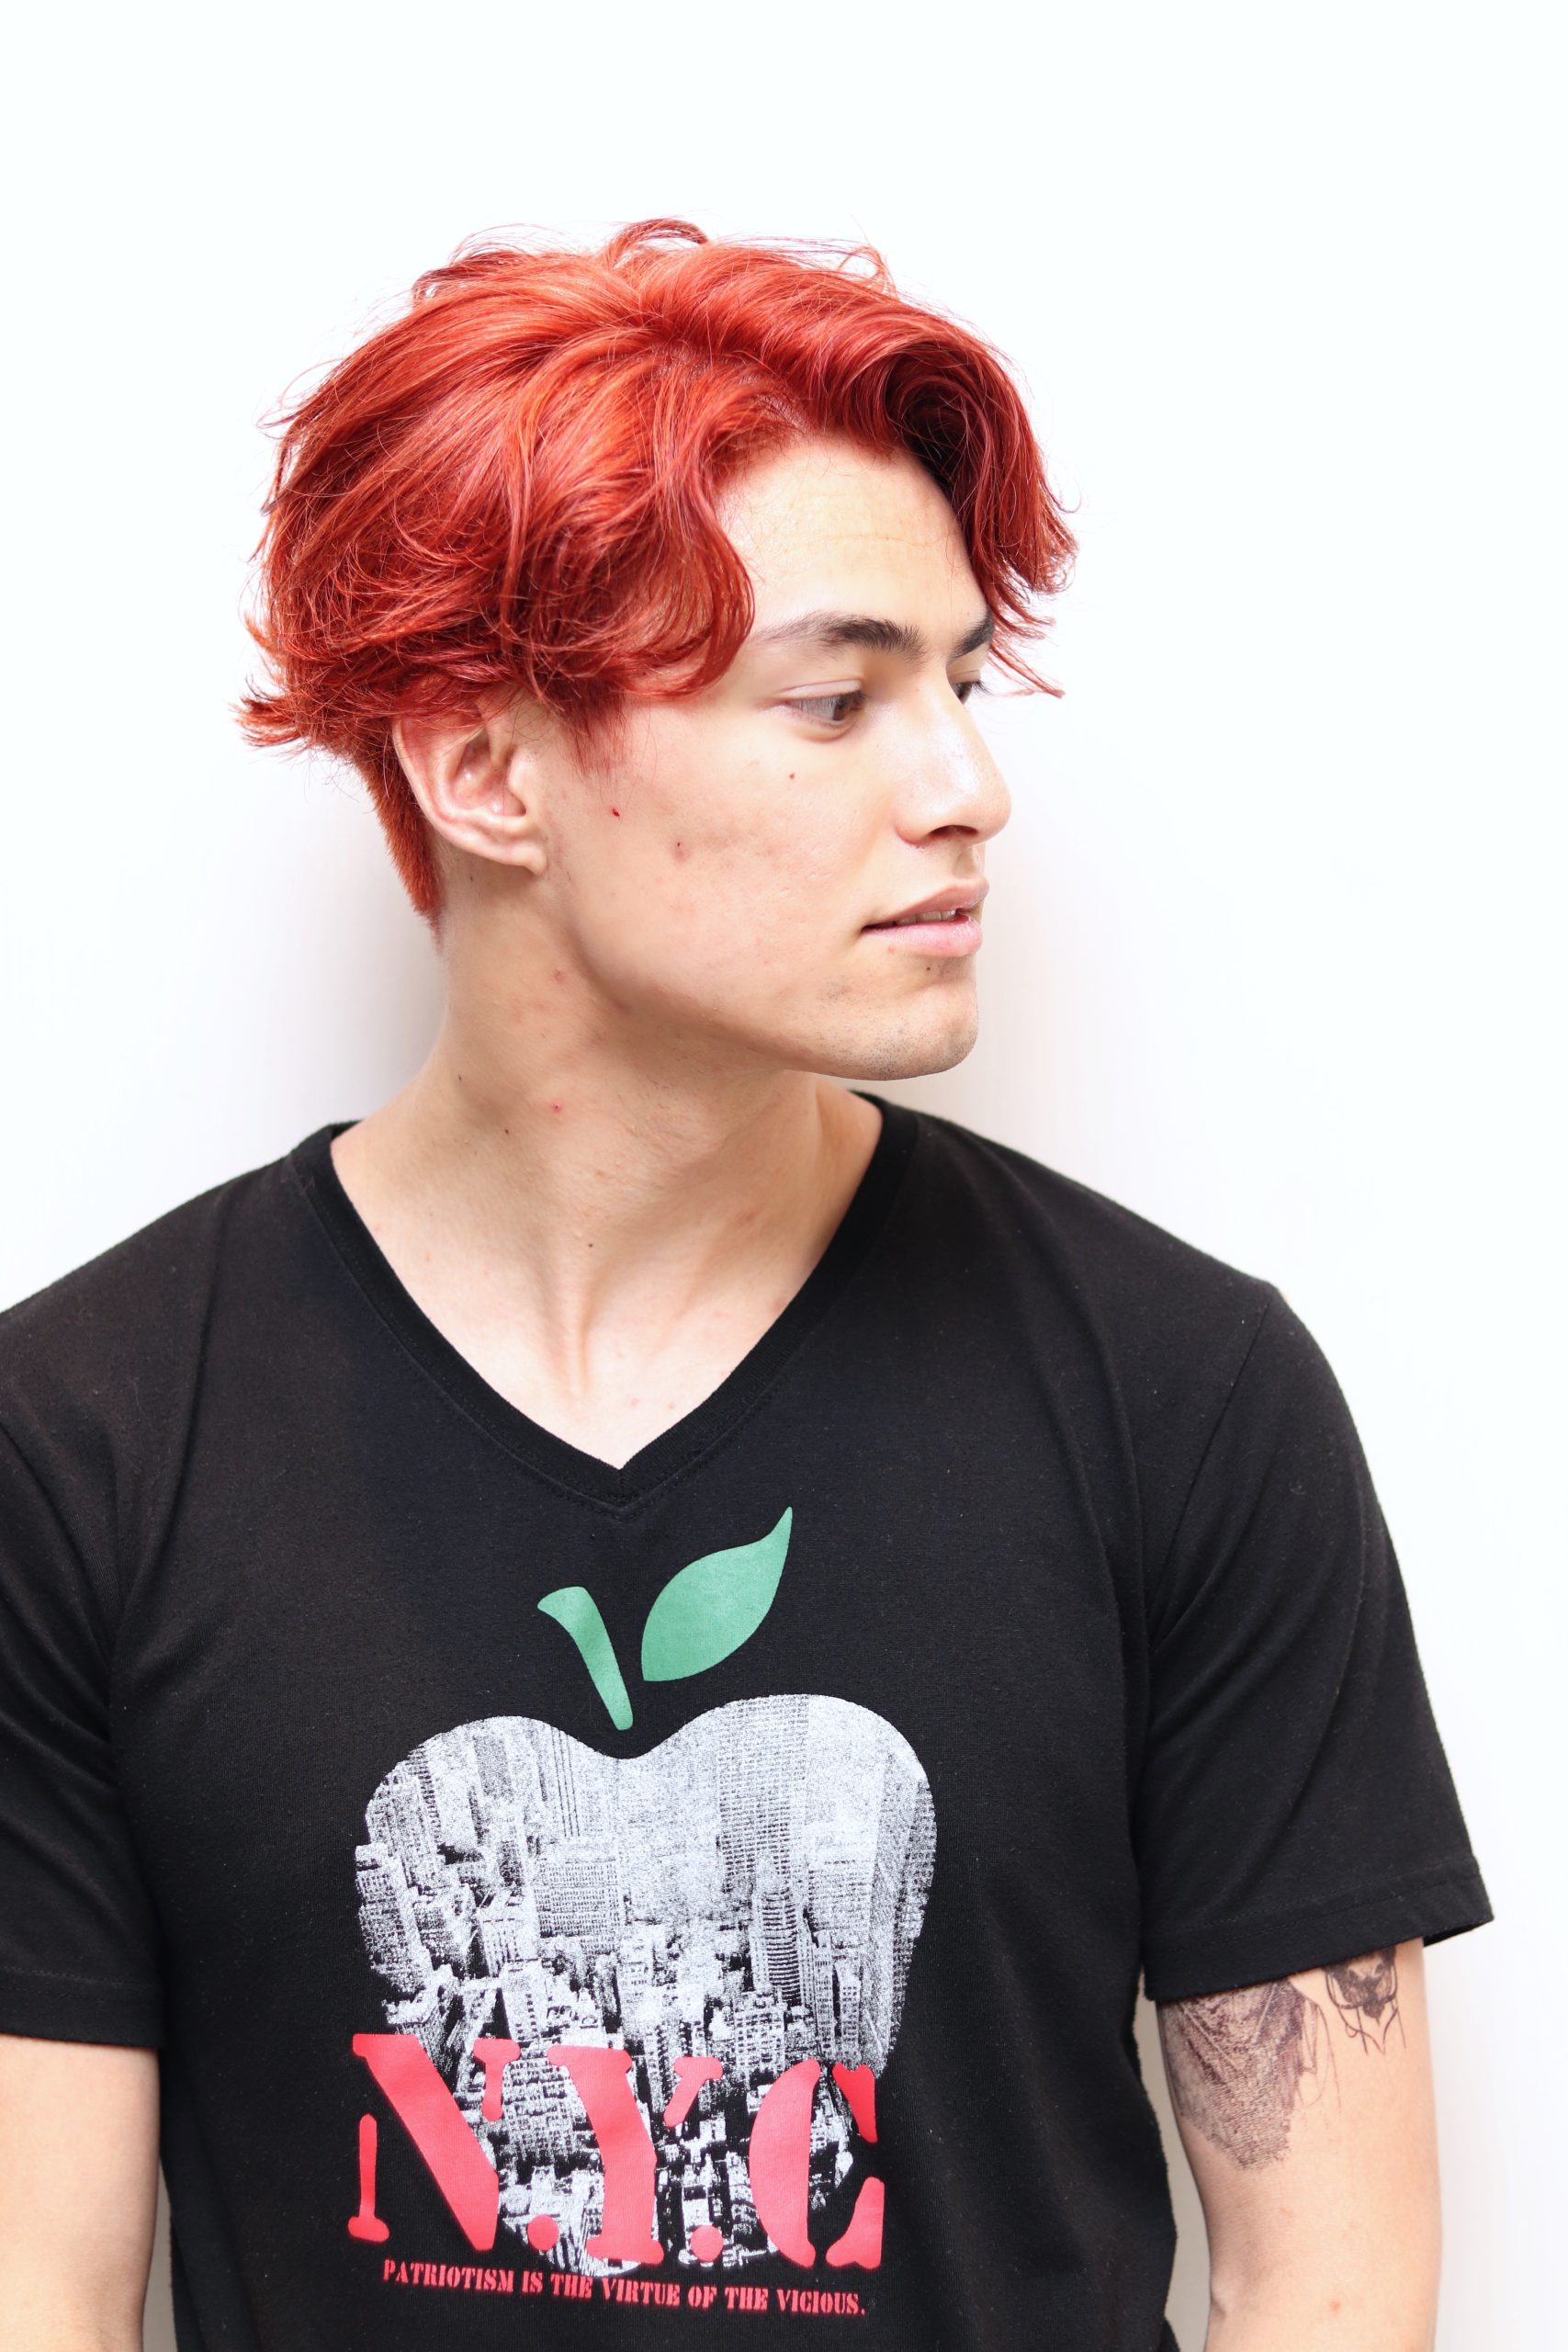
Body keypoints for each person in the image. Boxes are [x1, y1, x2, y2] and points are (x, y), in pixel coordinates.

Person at [0, 219, 1492, 2351]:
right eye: (834, 696)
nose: (965, 787)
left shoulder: (1178, 1393)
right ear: (484, 768)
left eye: (958, 682)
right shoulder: (80, 1444)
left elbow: (1326, 2284)